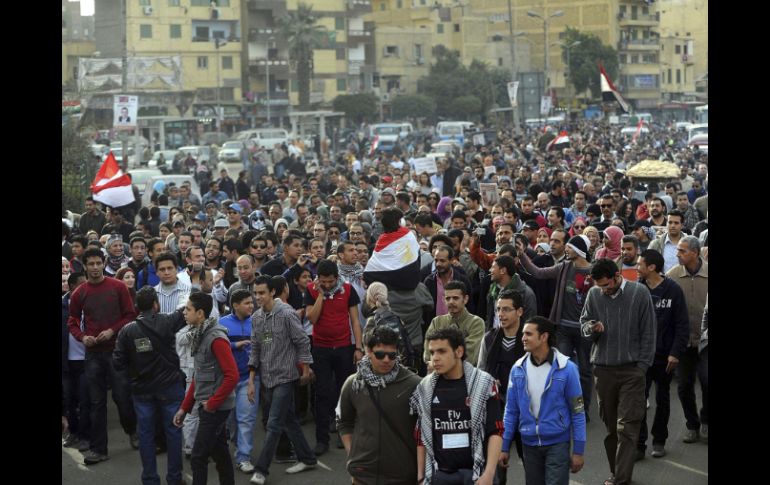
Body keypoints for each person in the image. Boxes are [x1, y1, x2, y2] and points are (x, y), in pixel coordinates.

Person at [580, 258, 656, 485]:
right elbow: (583, 325)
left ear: (616, 276)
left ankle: (620, 479)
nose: (603, 289)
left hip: (632, 371)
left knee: (627, 428)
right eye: (599, 286)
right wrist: (592, 328)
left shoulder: (639, 293)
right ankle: (617, 472)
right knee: (612, 428)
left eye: (606, 285)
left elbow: (649, 332)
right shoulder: (594, 294)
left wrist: (642, 367)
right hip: (603, 370)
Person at [67, 247, 138, 465]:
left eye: (99, 263)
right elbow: (72, 321)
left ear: (103, 263)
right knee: (97, 403)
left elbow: (130, 315)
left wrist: (112, 330)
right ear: (84, 266)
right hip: (93, 354)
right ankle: (99, 449)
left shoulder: (117, 287)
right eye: (91, 264)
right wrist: (82, 337)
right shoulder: (79, 293)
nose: (95, 267)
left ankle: (132, 430)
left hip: (116, 351)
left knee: (122, 397)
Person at [113, 287, 187, 485]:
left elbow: (117, 362)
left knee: (145, 435)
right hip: (170, 386)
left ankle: (149, 479)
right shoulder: (167, 321)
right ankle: (175, 478)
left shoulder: (127, 331)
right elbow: (186, 309)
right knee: (174, 431)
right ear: (156, 304)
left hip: (142, 390)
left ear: (137, 306)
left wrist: (134, 371)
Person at [410, 326, 503, 485]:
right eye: (432, 352)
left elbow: (496, 431)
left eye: (441, 351)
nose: (435, 358)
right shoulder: (425, 387)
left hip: (476, 475)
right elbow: (421, 434)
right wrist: (421, 475)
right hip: (440, 475)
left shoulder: (483, 384)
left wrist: (489, 474)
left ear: (459, 352)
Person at [499, 316, 586, 485]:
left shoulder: (568, 369)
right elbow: (510, 412)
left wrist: (578, 450)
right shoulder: (517, 369)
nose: (523, 338)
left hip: (558, 444)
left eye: (528, 334)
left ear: (544, 337)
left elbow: (578, 411)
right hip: (529, 445)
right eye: (523, 334)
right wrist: (504, 446)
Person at [516, 235, 595, 418]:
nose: (566, 249)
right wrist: (521, 255)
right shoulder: (564, 267)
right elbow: (538, 272)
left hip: (584, 330)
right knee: (562, 369)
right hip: (564, 328)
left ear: (580, 250)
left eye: (570, 247)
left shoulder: (593, 271)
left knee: (584, 371)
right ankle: (563, 407)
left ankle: (582, 409)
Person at [247, 276, 317, 484]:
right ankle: (307, 458)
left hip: (286, 377)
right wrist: (251, 380)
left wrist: (306, 369)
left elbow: (302, 341)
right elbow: (255, 348)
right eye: (255, 293)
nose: (258, 297)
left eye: (262, 293)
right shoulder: (257, 318)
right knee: (288, 420)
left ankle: (261, 470)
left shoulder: (287, 314)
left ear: (272, 292)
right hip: (267, 378)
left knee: (274, 423)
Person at [338, 326, 422, 484]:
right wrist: (352, 454)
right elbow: (344, 422)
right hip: (362, 475)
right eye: (380, 354)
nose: (386, 360)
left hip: (402, 476)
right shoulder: (353, 384)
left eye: (392, 355)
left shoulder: (414, 384)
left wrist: (421, 473)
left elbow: (425, 431)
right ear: (368, 351)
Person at [173, 292, 238, 485]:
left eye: (188, 309)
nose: (184, 312)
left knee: (198, 457)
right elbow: (199, 377)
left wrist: (212, 404)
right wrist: (184, 408)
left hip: (214, 408)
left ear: (200, 313)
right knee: (220, 452)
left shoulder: (216, 338)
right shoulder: (200, 334)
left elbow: (232, 375)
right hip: (207, 404)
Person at [304, 259, 364, 455]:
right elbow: (312, 318)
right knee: (322, 393)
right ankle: (322, 440)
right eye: (323, 281)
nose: (328, 285)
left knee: (343, 392)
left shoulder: (348, 290)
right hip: (321, 348)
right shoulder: (311, 290)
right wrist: (321, 295)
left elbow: (355, 321)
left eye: (330, 281)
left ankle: (343, 433)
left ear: (337, 278)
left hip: (344, 347)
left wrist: (358, 348)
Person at [635, 249, 690, 459]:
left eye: (640, 264)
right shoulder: (638, 289)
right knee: (638, 400)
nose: (637, 267)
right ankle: (639, 445)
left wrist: (675, 353)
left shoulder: (673, 290)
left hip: (664, 357)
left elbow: (681, 324)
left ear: (651, 267)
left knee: (662, 398)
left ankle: (659, 440)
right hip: (641, 357)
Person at [476, 289, 526, 483]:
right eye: (498, 309)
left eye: (506, 309)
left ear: (519, 311)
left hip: (525, 410)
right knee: (496, 466)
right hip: (496, 408)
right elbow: (480, 371)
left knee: (532, 465)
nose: (501, 314)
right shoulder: (489, 338)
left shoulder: (529, 338)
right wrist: (489, 381)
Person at [665, 236, 708, 445]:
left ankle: (706, 420)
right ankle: (692, 425)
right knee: (683, 386)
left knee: (707, 383)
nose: (678, 254)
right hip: (682, 342)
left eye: (682, 251)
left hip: (706, 342)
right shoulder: (672, 276)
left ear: (695, 253)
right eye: (678, 250)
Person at [218, 289, 259, 474]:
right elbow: (216, 347)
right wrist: (235, 345)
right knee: (231, 421)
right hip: (227, 380)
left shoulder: (257, 322)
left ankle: (243, 457)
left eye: (252, 302)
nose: (251, 306)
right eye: (247, 303)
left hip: (249, 378)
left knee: (246, 419)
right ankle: (237, 445)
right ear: (235, 305)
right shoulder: (222, 323)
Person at [422, 280, 485, 368]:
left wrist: (439, 358)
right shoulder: (437, 322)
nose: (451, 302)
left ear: (465, 299)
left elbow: (469, 355)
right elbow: (428, 354)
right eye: (448, 298)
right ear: (444, 300)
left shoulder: (476, 323)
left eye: (455, 298)